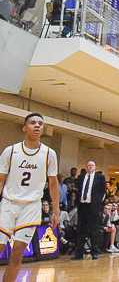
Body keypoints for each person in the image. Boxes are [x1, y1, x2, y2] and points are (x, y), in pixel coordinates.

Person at [0, 114, 59, 282]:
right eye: (33, 123)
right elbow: (0, 180)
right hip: (8, 204)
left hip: (31, 207)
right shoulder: (10, 151)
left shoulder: (49, 153)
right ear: (24, 127)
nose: (37, 125)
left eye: (40, 123)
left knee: (18, 253)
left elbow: (53, 184)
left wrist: (56, 210)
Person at [74, 160, 105, 260]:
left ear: (95, 167)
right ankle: (79, 253)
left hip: (93, 207)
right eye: (88, 166)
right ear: (86, 167)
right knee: (81, 230)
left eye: (92, 165)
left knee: (94, 230)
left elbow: (103, 192)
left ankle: (94, 252)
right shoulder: (81, 176)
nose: (90, 167)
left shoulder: (100, 177)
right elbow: (78, 190)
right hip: (83, 206)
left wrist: (98, 204)